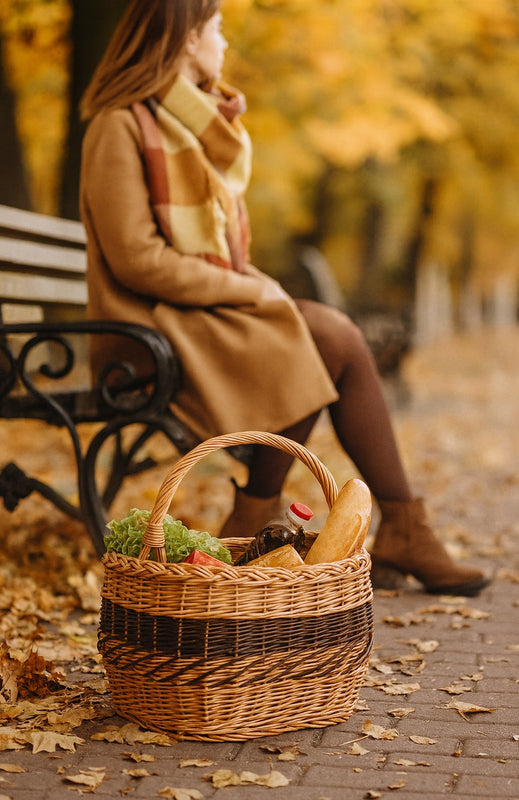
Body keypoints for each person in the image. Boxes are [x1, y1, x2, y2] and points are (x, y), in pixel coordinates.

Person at [79, 0, 489, 596]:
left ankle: (337, 516)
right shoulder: (118, 125)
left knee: (325, 336)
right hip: (146, 338)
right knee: (323, 336)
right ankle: (360, 520)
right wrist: (253, 289)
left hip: (193, 319)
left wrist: (250, 293)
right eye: (217, 28)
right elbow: (137, 260)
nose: (224, 41)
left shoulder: (191, 128)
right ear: (188, 39)